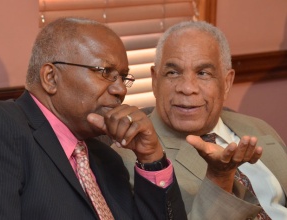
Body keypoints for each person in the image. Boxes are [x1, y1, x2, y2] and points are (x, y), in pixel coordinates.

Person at [0, 18, 187, 220]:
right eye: (105, 72)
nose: (120, 89)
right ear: (51, 78)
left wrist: (151, 157)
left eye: (122, 77)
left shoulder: (107, 158)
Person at [113, 21, 287, 219]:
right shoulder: (132, 159)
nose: (187, 88)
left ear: (227, 82)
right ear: (154, 80)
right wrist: (220, 178)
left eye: (203, 73)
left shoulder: (257, 127)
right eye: (173, 72)